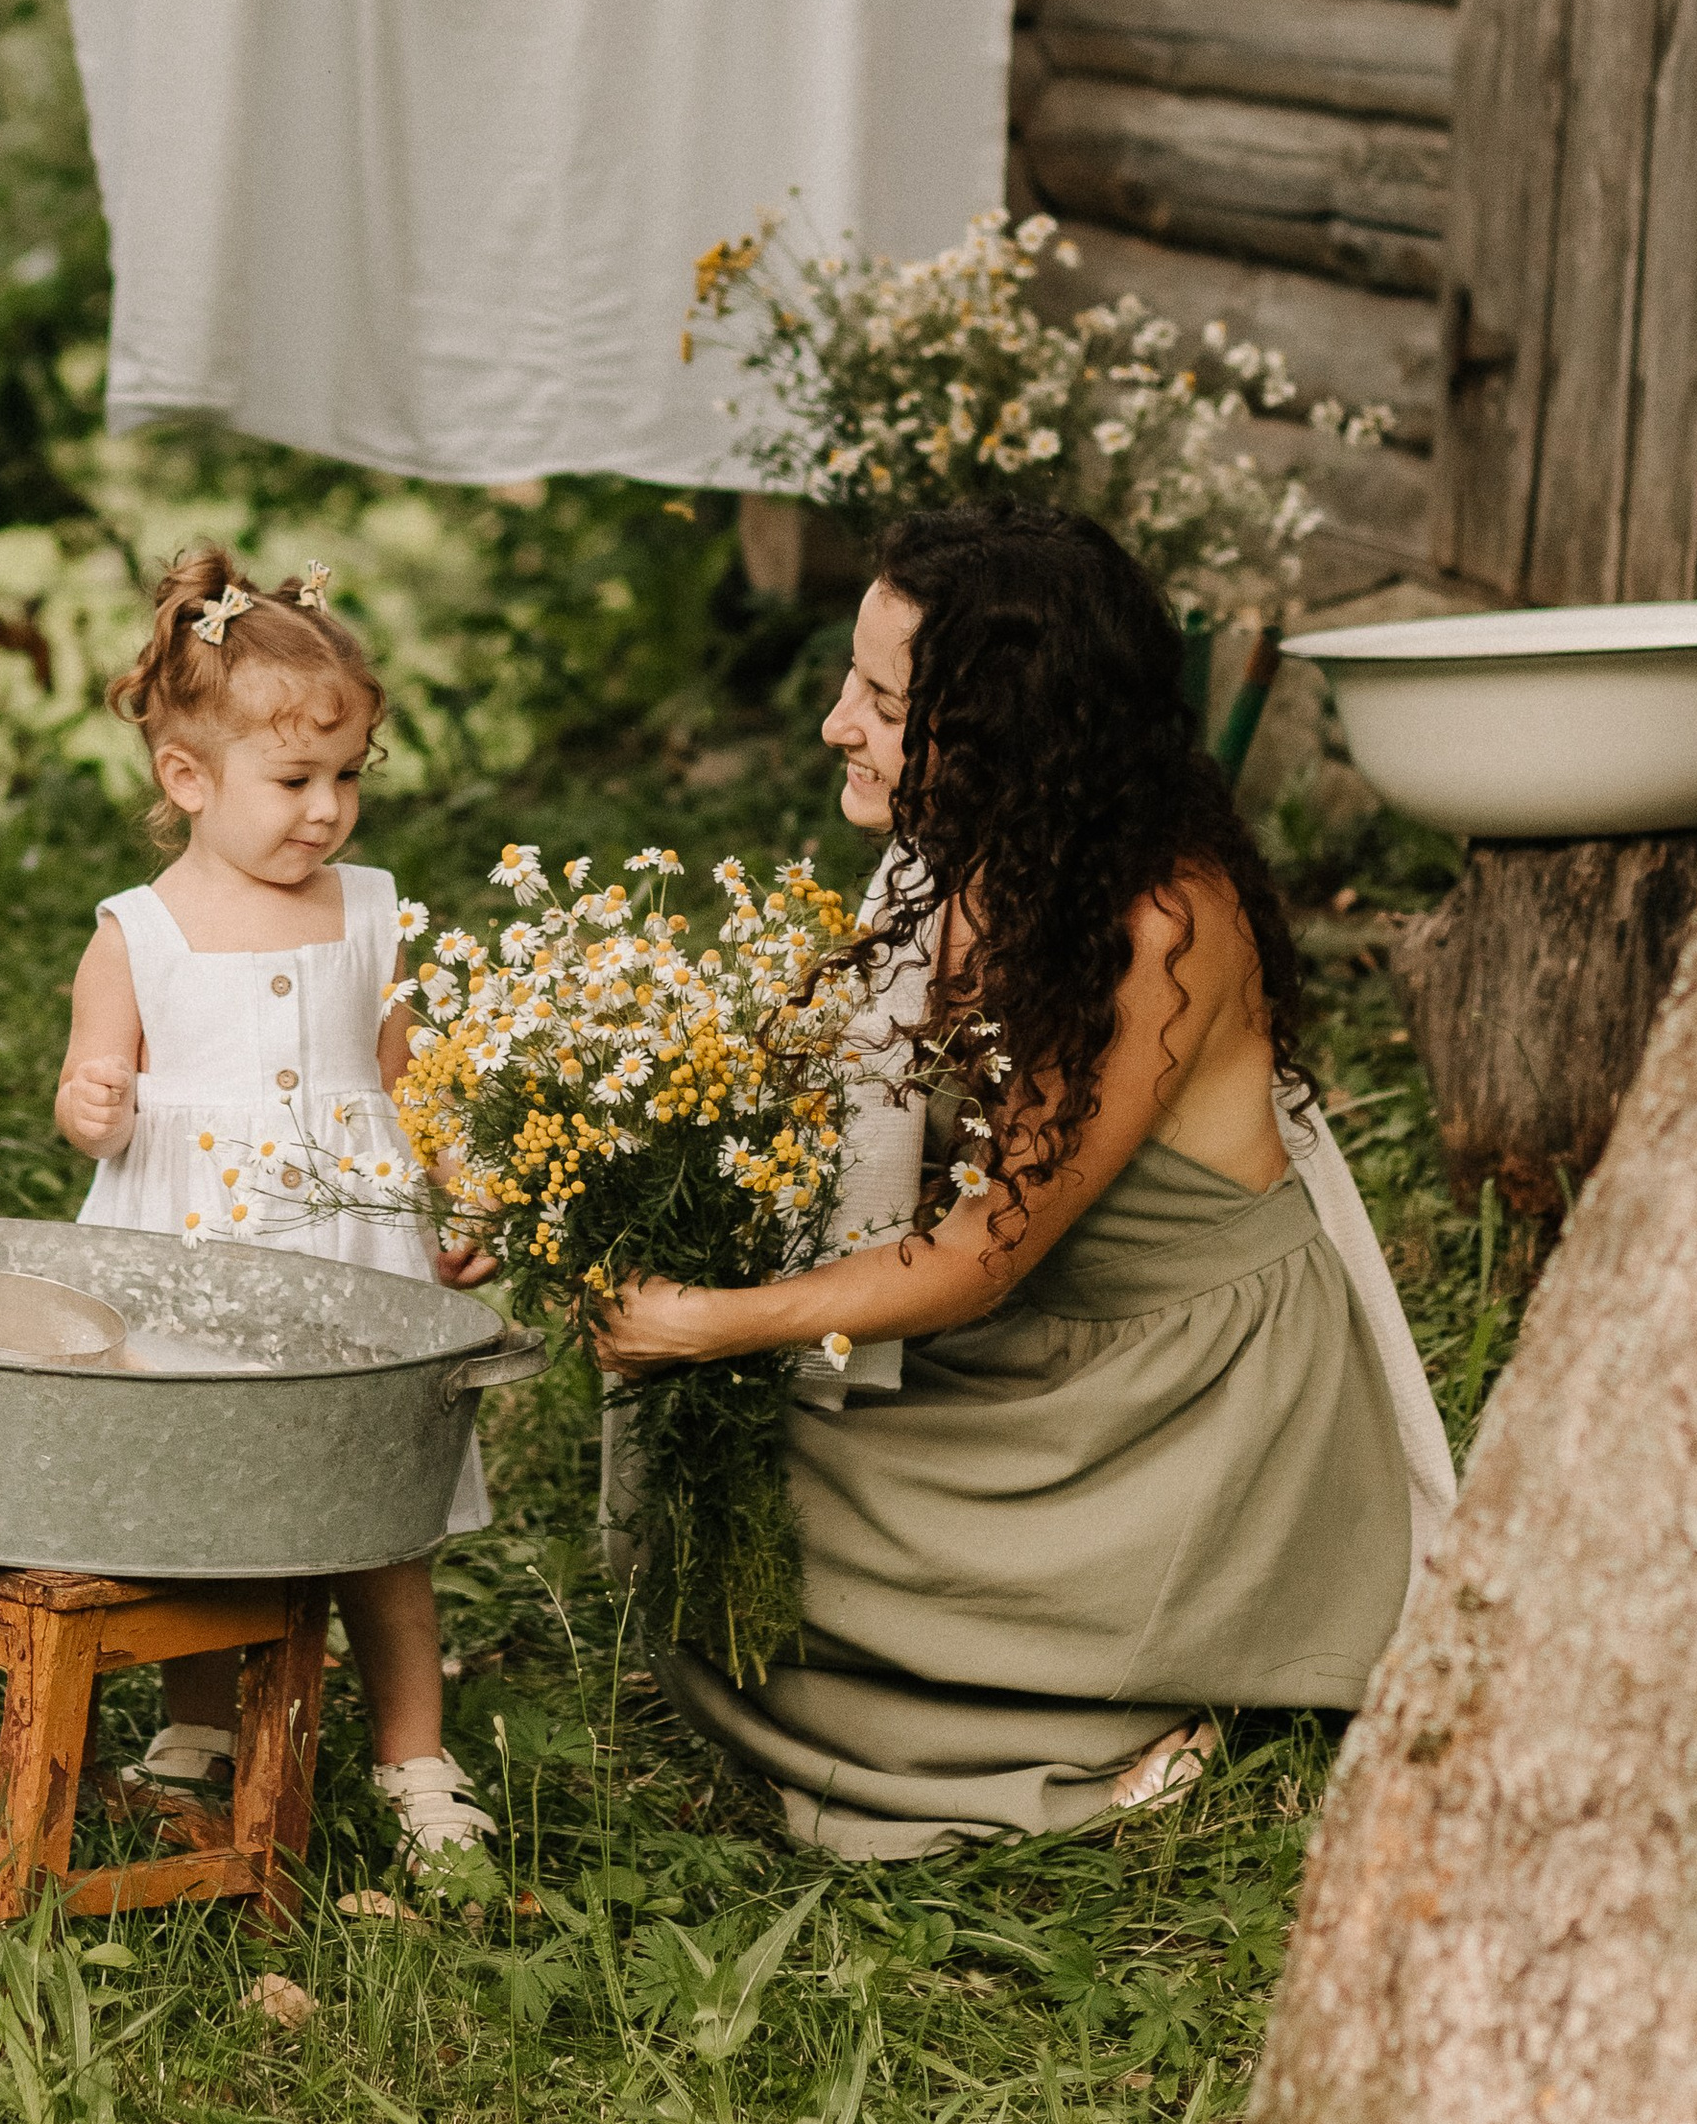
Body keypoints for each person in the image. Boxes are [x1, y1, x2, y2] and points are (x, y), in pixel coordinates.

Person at [594, 500, 1446, 1861]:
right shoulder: (968, 859)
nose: (837, 725)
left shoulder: (1152, 925)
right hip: (1037, 1332)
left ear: (1012, 733)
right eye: (853, 683)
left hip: (1180, 1392)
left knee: (727, 1427)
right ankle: (994, 1695)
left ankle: (1121, 1715)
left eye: (885, 703)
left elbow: (979, 1255)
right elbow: (831, 1124)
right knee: (698, 1468)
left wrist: (713, 1321)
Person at [58, 547, 497, 1876]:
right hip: (195, 1265)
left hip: (357, 1255)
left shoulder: (371, 913)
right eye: (295, 780)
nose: (327, 811)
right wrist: (95, 1103)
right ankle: (201, 1722)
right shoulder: (139, 932)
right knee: (205, 1505)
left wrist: (464, 1179)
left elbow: (409, 1074)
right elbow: (95, 1093)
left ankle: (414, 1755)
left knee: (383, 1514)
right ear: (188, 778)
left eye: (348, 777)